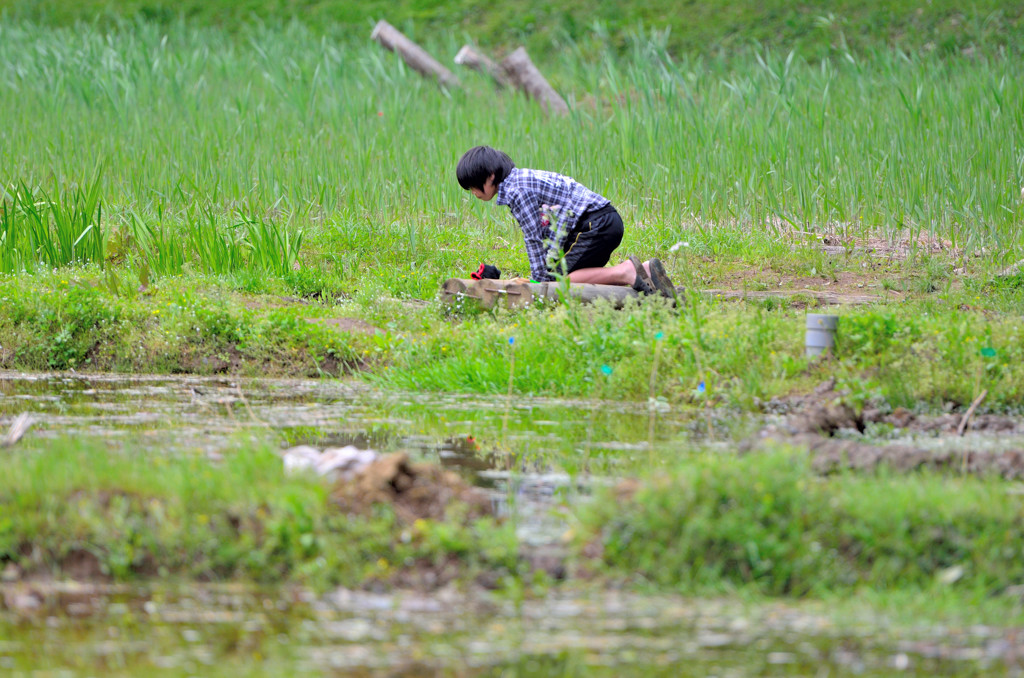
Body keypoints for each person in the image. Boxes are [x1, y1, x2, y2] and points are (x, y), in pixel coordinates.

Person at [456, 145, 676, 301]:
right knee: (565, 278)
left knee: (561, 282)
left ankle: (628, 271)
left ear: (492, 176)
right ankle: (644, 271)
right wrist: (542, 277)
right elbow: (550, 233)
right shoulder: (519, 180)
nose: (473, 192)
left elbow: (534, 239)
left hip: (595, 225)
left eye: (475, 185)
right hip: (601, 222)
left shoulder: (516, 191)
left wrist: (538, 283)